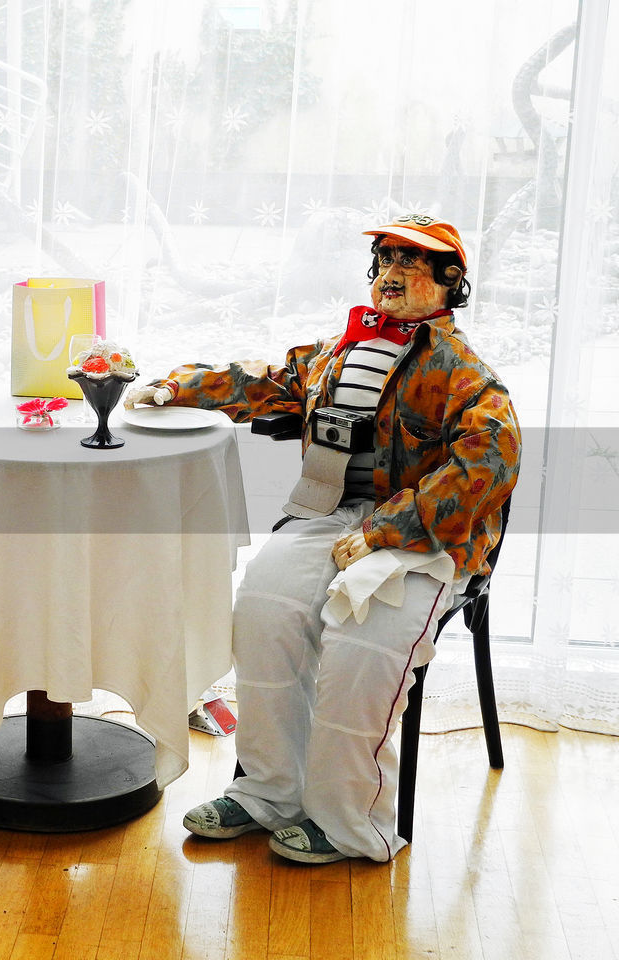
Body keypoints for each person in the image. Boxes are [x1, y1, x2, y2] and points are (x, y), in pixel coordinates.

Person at [127, 216, 519, 864]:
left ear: (450, 283)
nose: (392, 274)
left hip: (426, 538)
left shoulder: (463, 375)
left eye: (412, 264)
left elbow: (490, 462)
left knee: (366, 641)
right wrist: (176, 386)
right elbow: (266, 380)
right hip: (329, 513)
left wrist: (385, 530)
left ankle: (348, 822)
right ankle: (266, 793)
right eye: (385, 259)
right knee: (263, 608)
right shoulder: (343, 347)